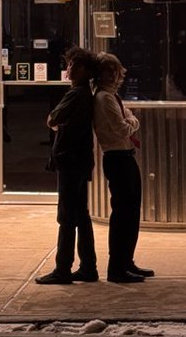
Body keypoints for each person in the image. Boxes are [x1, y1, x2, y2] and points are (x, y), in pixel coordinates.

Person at [35, 46, 98, 285]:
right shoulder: (86, 94)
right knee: (81, 214)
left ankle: (63, 268)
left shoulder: (75, 94)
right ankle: (88, 267)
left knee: (66, 216)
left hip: (70, 161)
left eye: (74, 65)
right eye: (69, 64)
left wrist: (56, 123)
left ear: (85, 70)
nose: (69, 69)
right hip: (80, 160)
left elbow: (53, 118)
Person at [93, 52, 153, 284]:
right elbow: (123, 128)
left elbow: (126, 120)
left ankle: (126, 261)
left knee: (131, 212)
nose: (114, 75)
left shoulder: (111, 96)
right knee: (123, 214)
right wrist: (132, 121)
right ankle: (117, 267)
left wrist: (129, 120)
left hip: (124, 156)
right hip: (117, 158)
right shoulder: (104, 98)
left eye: (114, 70)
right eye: (109, 70)